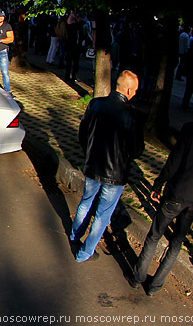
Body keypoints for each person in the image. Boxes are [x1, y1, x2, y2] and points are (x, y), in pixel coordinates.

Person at [70, 70, 144, 262]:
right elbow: (136, 150)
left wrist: (89, 153)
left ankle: (75, 235)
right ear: (128, 90)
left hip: (93, 166)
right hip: (115, 174)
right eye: (134, 90)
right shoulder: (131, 115)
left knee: (86, 202)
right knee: (103, 214)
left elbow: (83, 134)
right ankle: (85, 252)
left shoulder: (95, 104)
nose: (135, 93)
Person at [127, 122, 193, 295]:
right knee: (176, 242)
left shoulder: (189, 129)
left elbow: (174, 161)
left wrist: (159, 183)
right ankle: (155, 286)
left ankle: (137, 277)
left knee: (155, 235)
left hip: (177, 193)